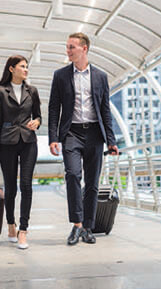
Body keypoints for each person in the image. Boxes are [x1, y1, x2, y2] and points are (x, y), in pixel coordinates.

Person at [48, 32, 119, 246]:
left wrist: (111, 141)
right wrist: (53, 138)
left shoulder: (100, 76)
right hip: (71, 133)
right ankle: (77, 225)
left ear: (84, 49)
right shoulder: (60, 75)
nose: (68, 51)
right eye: (67, 47)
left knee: (92, 184)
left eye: (72, 47)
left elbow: (105, 110)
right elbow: (54, 109)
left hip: (95, 134)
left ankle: (89, 227)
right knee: (72, 175)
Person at [0, 55, 41, 249]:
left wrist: (37, 122)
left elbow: (38, 116)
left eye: (27, 66)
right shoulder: (0, 91)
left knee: (26, 185)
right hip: (7, 141)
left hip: (28, 141)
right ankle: (11, 224)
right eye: (22, 66)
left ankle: (23, 231)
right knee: (11, 188)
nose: (26, 69)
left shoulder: (32, 91)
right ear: (11, 69)